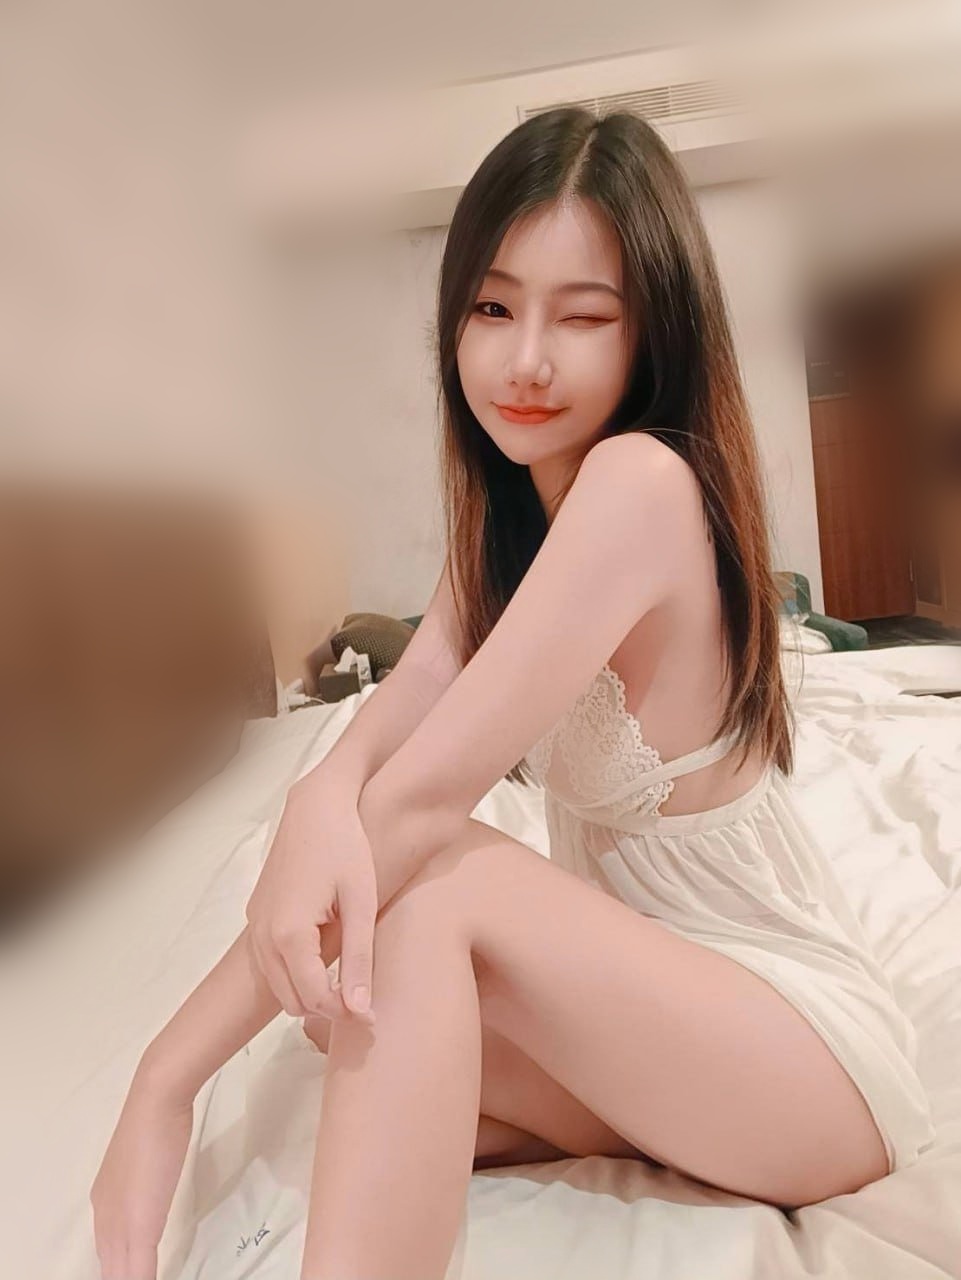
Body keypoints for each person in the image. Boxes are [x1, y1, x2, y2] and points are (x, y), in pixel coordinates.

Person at [89, 108, 936, 1280]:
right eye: (492, 308)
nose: (525, 358)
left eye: (582, 316)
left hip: (802, 1057)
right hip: (664, 1022)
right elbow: (398, 714)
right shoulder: (510, 515)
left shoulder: (637, 483)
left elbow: (419, 806)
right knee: (344, 1000)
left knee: (430, 890)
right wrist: (318, 792)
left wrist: (164, 1081)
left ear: (652, 331)